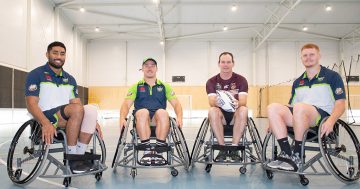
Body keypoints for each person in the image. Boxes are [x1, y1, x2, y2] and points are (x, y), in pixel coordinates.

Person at [25, 41, 103, 173]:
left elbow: (77, 103)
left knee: (91, 109)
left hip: (68, 117)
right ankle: (72, 158)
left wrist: (92, 121)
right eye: (55, 53)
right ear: (47, 54)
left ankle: (79, 154)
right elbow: (31, 104)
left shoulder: (70, 79)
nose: (59, 56)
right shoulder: (36, 74)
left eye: (62, 54)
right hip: (45, 118)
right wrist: (45, 123)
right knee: (76, 109)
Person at [266, 43, 346, 171]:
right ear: (301, 58)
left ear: (319, 56)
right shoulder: (298, 82)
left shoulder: (332, 76)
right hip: (300, 116)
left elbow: (341, 103)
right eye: (305, 55)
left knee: (299, 107)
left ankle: (298, 155)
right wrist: (273, 119)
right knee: (272, 107)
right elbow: (290, 106)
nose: (308, 58)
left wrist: (331, 121)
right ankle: (287, 153)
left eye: (312, 55)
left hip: (322, 119)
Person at [119, 58, 183, 165]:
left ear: (156, 69)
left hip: (158, 119)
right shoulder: (136, 86)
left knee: (163, 112)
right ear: (142, 69)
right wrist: (122, 118)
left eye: (152, 65)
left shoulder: (164, 86)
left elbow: (176, 104)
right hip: (142, 118)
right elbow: (126, 104)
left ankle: (159, 150)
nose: (149, 67)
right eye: (146, 65)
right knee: (143, 112)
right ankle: (147, 150)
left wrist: (180, 117)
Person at [206, 52, 249, 162]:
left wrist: (237, 103)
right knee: (212, 110)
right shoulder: (211, 81)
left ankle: (234, 148)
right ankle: (222, 149)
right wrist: (220, 102)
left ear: (233, 63)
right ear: (219, 64)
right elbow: (211, 101)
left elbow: (243, 100)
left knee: (244, 109)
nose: (226, 65)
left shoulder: (241, 80)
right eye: (223, 62)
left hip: (236, 115)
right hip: (221, 116)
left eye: (228, 62)